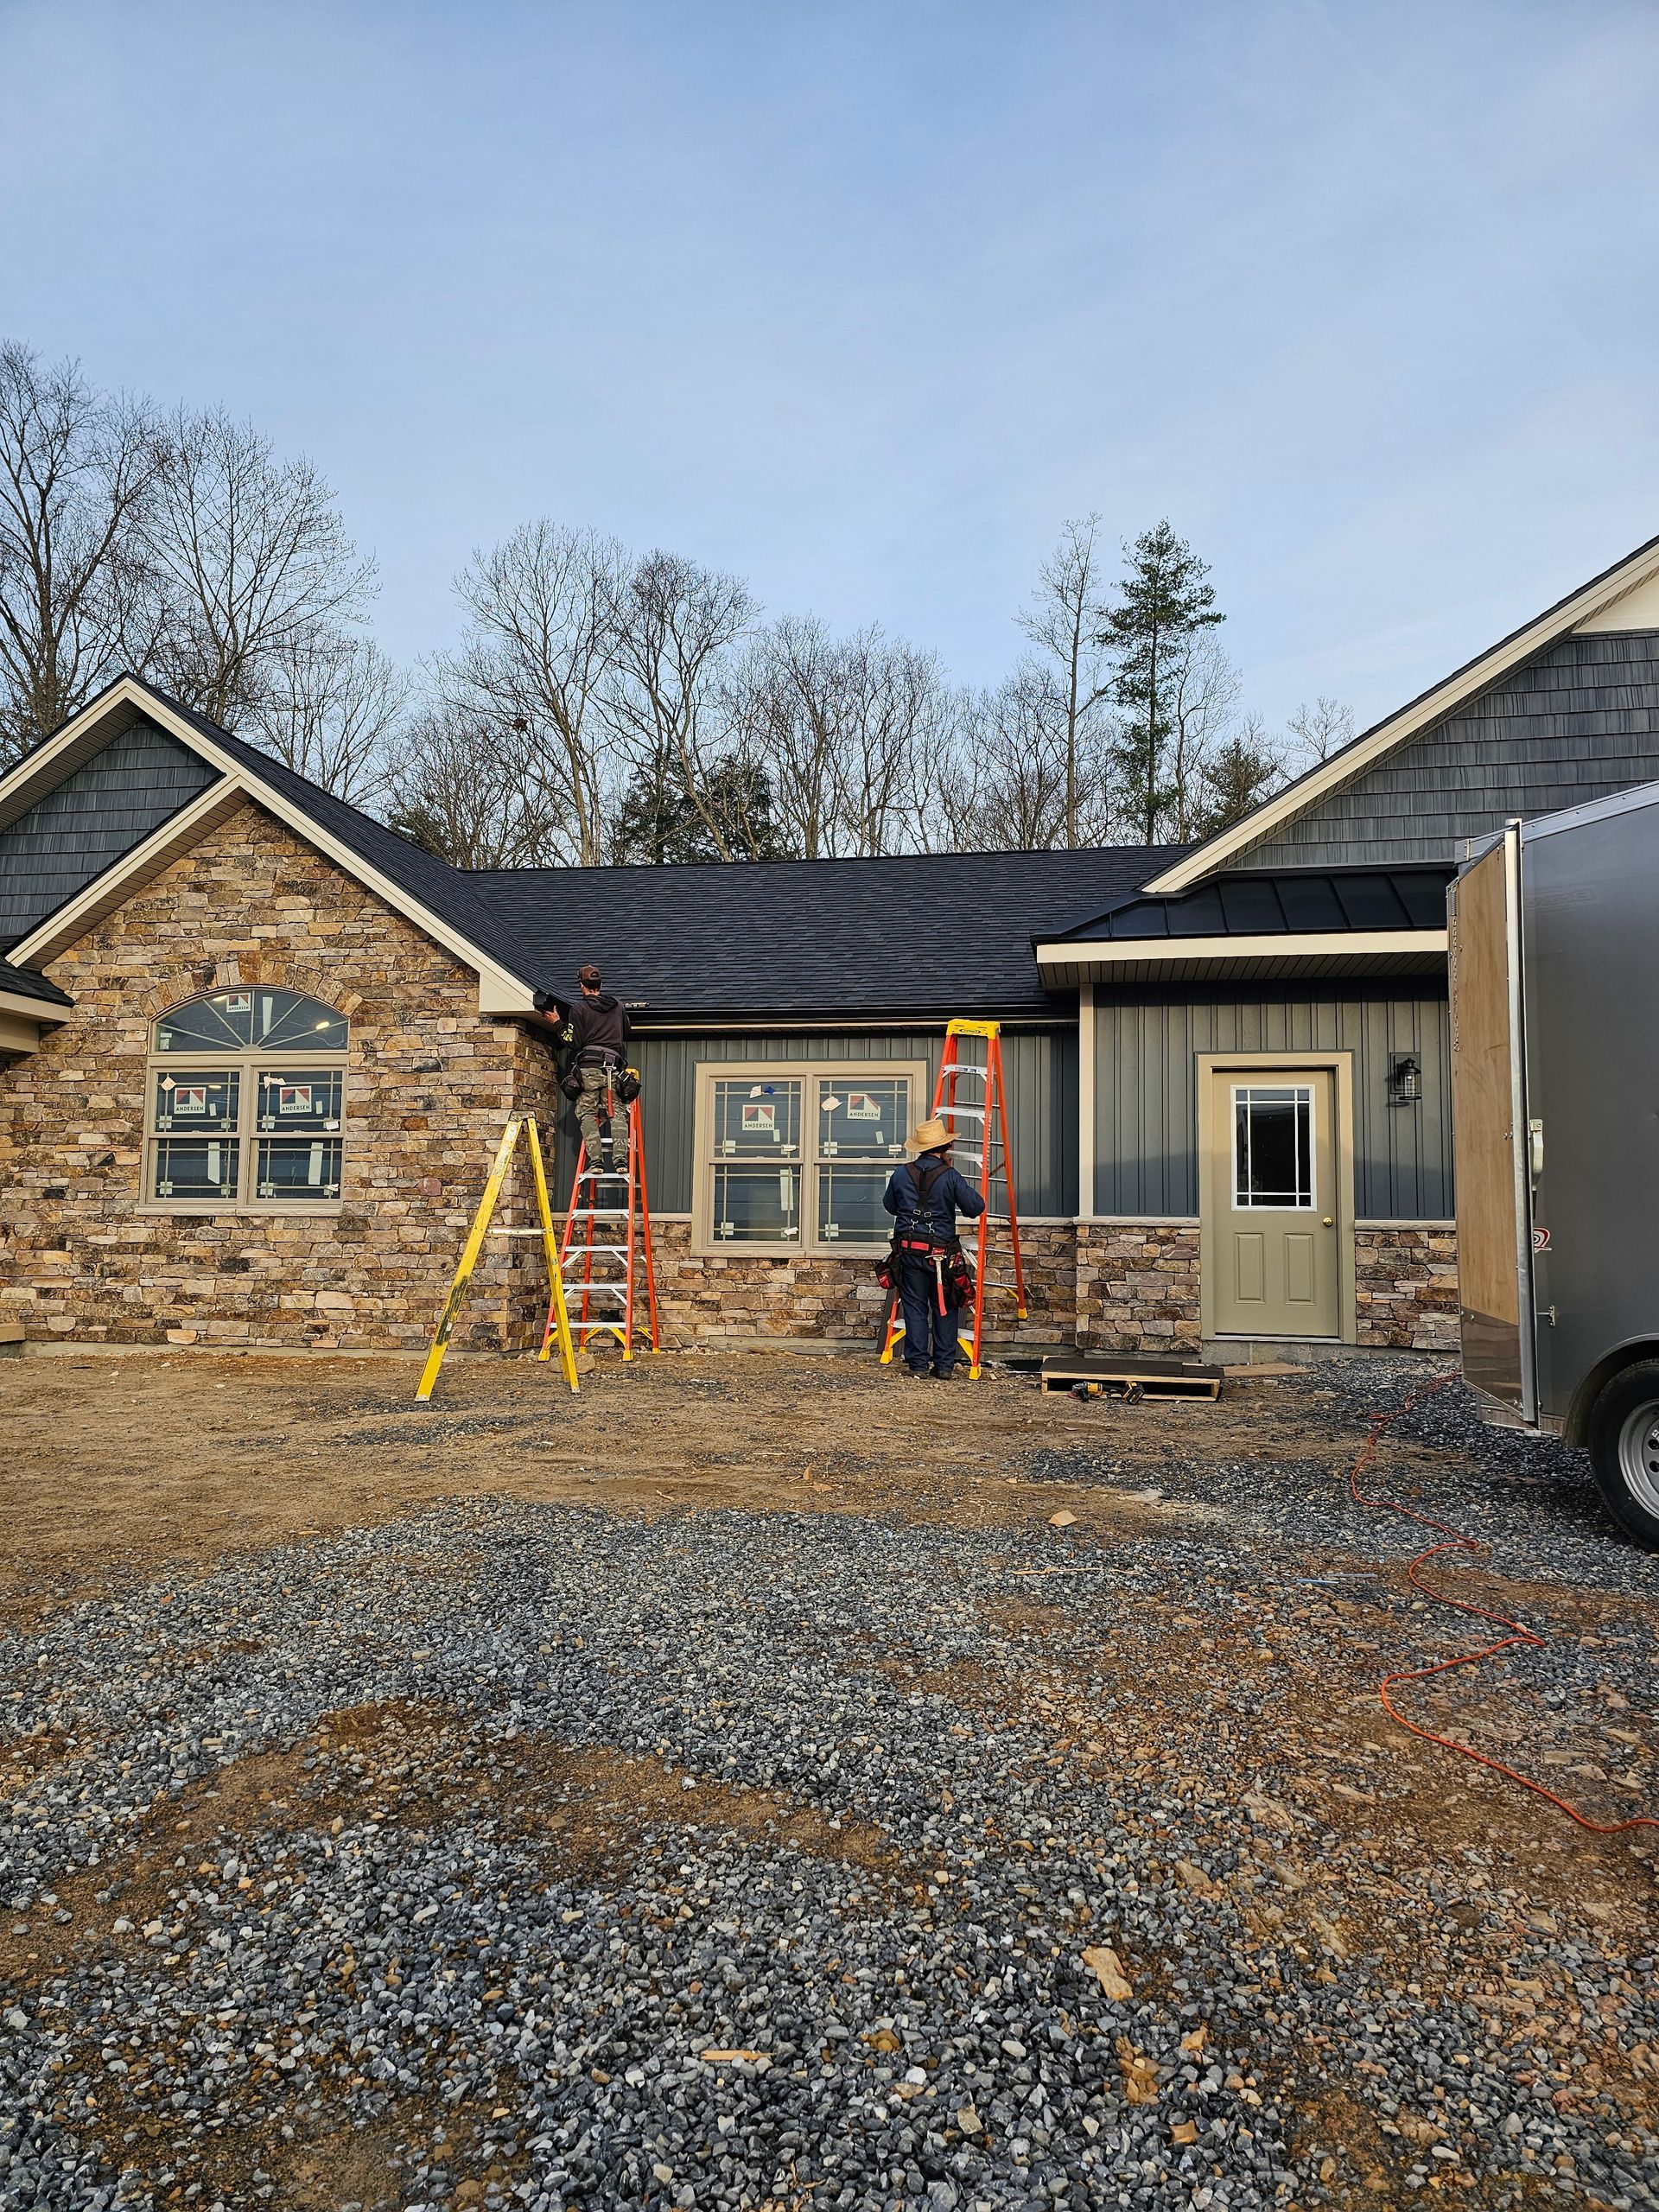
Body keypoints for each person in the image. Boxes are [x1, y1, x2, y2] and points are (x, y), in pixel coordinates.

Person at [883, 1115, 986, 1381]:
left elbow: (890, 1206)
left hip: (908, 1250)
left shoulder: (901, 1173)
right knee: (945, 1305)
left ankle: (918, 1364)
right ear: (946, 1148)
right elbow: (975, 1207)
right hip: (941, 1253)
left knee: (915, 1307)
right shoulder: (950, 1176)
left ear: (919, 1148)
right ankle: (944, 1366)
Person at [544, 963, 632, 1173]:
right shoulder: (618, 1006)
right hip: (613, 1069)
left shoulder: (579, 1009)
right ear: (600, 984)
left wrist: (558, 1023)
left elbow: (573, 1041)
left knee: (586, 1112)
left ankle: (597, 1162)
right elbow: (626, 1031)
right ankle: (621, 1161)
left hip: (590, 1069)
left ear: (582, 986)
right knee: (617, 1113)